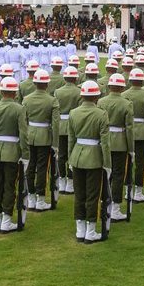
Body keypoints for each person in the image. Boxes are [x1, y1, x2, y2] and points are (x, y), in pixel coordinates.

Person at [0, 76, 29, 234]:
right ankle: (6, 219)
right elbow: (24, 134)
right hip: (12, 152)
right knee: (9, 186)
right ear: (15, 93)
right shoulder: (19, 108)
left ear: (2, 91)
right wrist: (25, 155)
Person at [68, 80, 111, 243]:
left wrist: (71, 158)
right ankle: (90, 231)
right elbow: (105, 143)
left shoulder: (74, 113)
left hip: (77, 156)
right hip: (94, 158)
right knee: (92, 195)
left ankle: (80, 231)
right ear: (96, 96)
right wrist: (107, 164)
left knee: (79, 194)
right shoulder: (101, 114)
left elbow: (72, 139)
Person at [22, 69, 60, 212]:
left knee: (31, 167)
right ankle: (40, 199)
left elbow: (23, 121)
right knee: (42, 168)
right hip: (44, 137)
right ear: (46, 84)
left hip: (30, 135)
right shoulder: (52, 100)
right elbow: (56, 124)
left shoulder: (26, 99)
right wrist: (55, 144)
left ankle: (31, 198)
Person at [97, 73, 133, 221]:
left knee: (104, 174)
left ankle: (103, 203)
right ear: (123, 86)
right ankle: (116, 208)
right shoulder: (126, 103)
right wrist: (131, 149)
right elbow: (129, 128)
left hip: (103, 142)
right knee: (118, 175)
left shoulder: (101, 102)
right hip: (119, 143)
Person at [124, 68, 144, 203]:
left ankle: (126, 190)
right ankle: (137, 191)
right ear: (142, 80)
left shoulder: (124, 95)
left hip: (125, 134)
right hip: (142, 133)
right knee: (140, 163)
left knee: (126, 163)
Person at [54, 65, 81, 194]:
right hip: (74, 125)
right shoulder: (79, 91)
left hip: (60, 125)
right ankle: (70, 181)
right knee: (72, 154)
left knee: (62, 154)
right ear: (75, 78)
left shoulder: (58, 92)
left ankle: (62, 180)